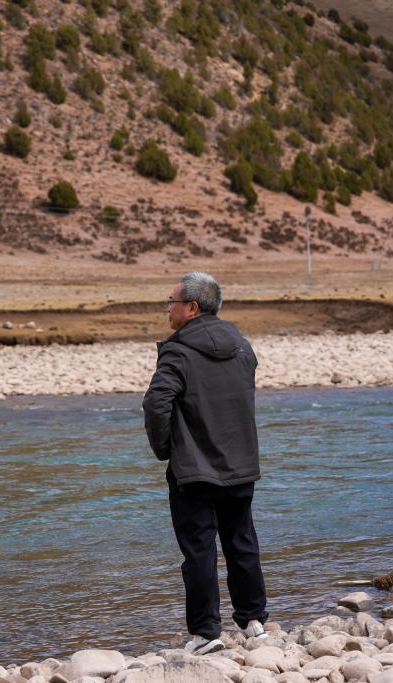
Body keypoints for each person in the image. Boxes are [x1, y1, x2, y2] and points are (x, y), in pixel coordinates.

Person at [142, 271, 269, 655]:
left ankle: (205, 633)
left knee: (199, 550)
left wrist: (166, 449)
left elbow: (156, 403)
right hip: (240, 463)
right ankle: (254, 622)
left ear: (192, 308)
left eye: (172, 302)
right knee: (241, 542)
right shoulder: (242, 347)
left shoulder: (178, 351)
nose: (168, 308)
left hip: (194, 469)